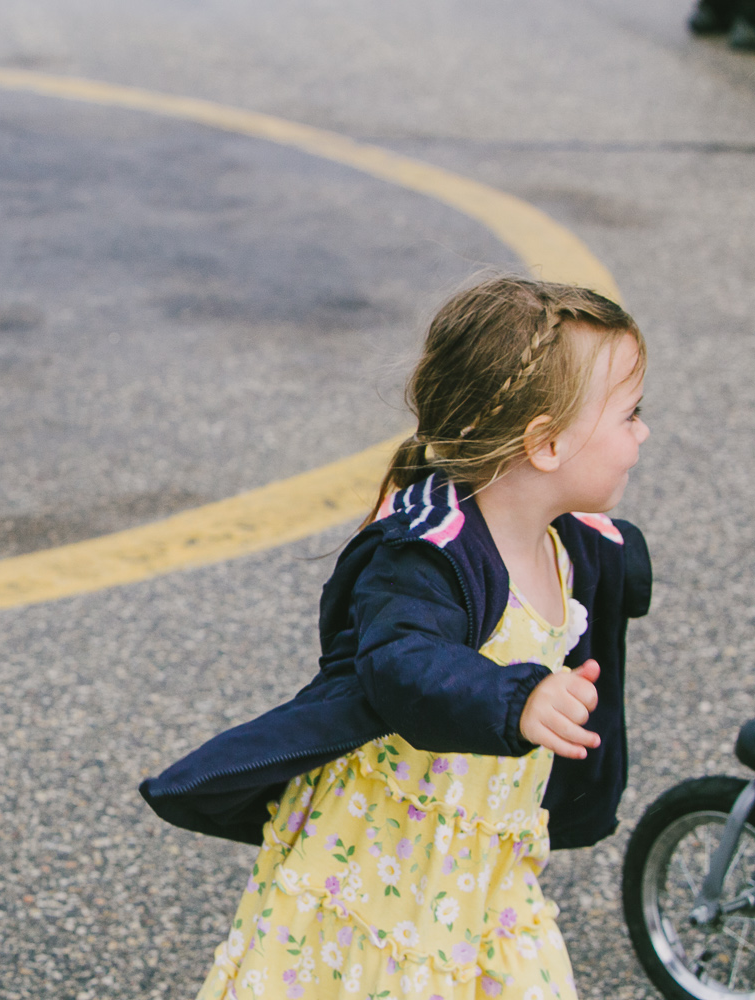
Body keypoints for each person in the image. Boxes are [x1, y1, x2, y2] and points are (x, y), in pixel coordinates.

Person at [140, 277, 653, 1000]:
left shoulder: (576, 548)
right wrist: (519, 696)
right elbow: (401, 662)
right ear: (545, 443)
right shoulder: (427, 552)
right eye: (630, 414)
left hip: (486, 871)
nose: (643, 432)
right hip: (381, 865)